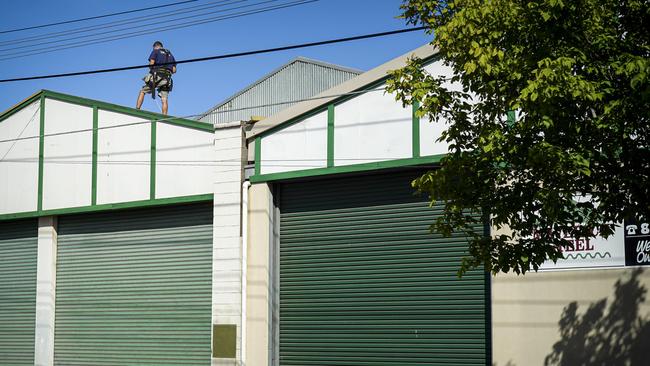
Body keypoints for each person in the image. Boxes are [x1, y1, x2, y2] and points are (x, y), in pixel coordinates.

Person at [136, 41, 176, 115]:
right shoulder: (171, 55)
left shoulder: (156, 51)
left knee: (142, 91)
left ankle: (137, 110)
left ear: (155, 46)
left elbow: (151, 64)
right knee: (164, 99)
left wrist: (152, 67)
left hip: (157, 76)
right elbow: (174, 70)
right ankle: (164, 117)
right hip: (167, 79)